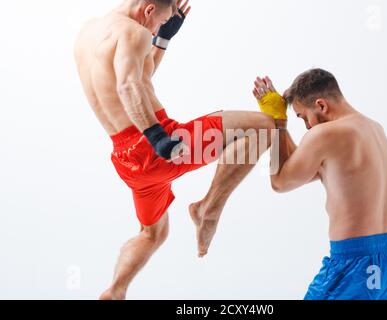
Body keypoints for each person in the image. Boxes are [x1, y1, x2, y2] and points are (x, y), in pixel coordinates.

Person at [74, 0, 274, 300]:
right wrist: (158, 137)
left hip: (126, 160)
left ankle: (115, 292)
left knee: (153, 234)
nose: (156, 28)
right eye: (160, 21)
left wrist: (163, 39)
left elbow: (139, 76)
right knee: (263, 127)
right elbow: (128, 87)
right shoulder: (134, 32)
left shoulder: (88, 31)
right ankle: (208, 208)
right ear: (149, 9)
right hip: (157, 146)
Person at [251, 69, 387, 300]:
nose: (306, 126)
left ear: (321, 105)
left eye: (303, 117)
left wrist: (278, 121)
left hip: (355, 266)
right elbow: (301, 168)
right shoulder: (375, 129)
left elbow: (280, 182)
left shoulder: (324, 135)